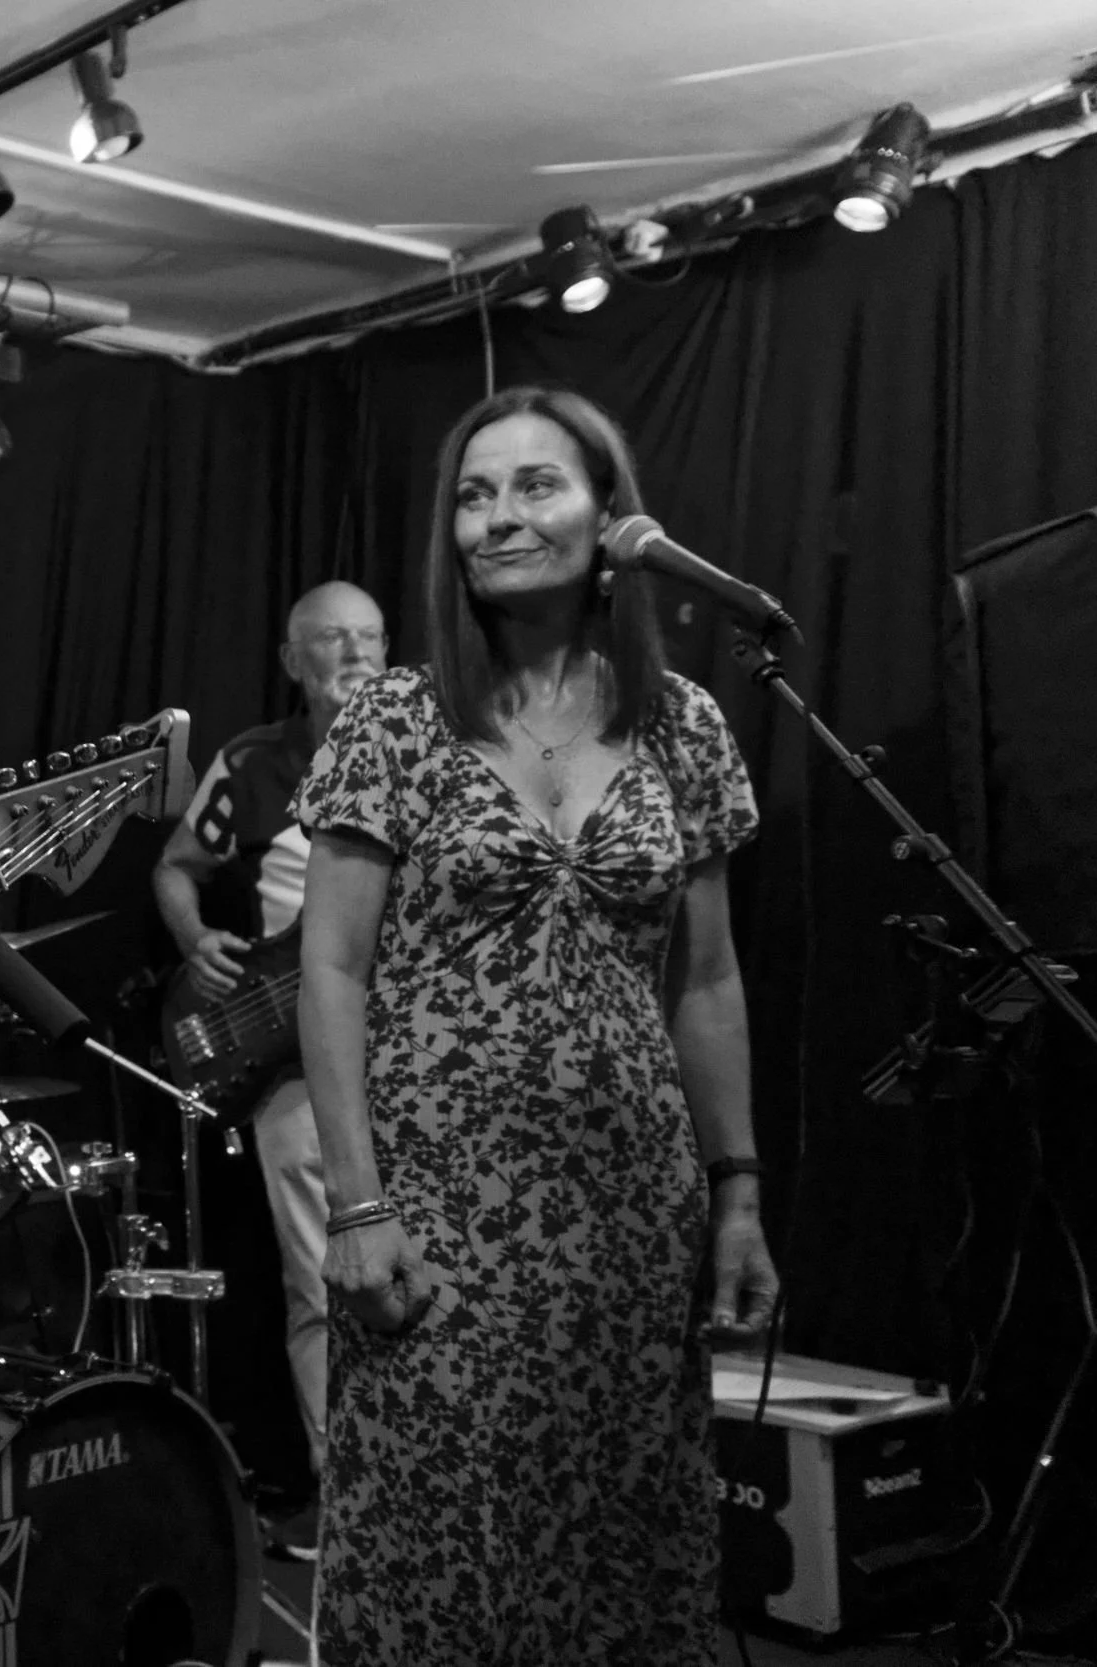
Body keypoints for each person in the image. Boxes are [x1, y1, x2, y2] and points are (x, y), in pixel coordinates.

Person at [293, 386, 778, 1663]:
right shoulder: (395, 717)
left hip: (629, 1212)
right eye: (472, 493)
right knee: (445, 1550)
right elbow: (330, 969)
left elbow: (708, 982)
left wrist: (736, 1194)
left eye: (535, 485)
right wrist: (355, 1202)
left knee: (621, 1555)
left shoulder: (683, 727)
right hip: (435, 1209)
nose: (499, 518)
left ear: (611, 514)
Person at [150, 581, 387, 1534]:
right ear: (294, 659)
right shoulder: (253, 763)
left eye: (371, 637)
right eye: (332, 639)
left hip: (417, 1056)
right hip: (291, 1062)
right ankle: (353, 1503)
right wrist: (194, 940)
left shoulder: (435, 750)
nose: (356, 654)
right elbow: (175, 866)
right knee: (320, 1284)